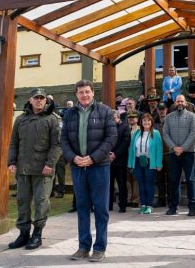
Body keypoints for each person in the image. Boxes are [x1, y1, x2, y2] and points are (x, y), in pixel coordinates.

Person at [60, 80, 117, 262]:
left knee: (100, 208)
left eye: (87, 91)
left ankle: (99, 248)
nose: (84, 95)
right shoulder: (69, 114)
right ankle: (83, 247)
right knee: (82, 207)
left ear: (93, 93)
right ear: (76, 95)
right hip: (78, 167)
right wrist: (73, 158)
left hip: (99, 167)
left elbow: (111, 138)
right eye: (80, 92)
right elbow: (63, 141)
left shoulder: (105, 111)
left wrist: (93, 158)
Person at [7, 89, 62, 250]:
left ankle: (37, 234)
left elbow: (57, 145)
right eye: (36, 98)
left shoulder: (53, 119)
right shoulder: (21, 119)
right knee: (22, 201)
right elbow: (13, 143)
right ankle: (23, 234)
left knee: (41, 201)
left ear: (46, 101)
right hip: (23, 168)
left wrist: (50, 164)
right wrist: (11, 162)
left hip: (43, 169)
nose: (39, 101)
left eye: (42, 98)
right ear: (30, 100)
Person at [162, 95, 195, 216]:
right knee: (174, 180)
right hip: (173, 153)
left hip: (188, 152)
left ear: (186, 103)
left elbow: (194, 133)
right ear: (174, 102)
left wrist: (182, 148)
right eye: (178, 101)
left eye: (182, 101)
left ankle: (192, 207)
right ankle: (173, 207)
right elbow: (165, 133)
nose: (180, 103)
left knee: (190, 179)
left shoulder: (192, 116)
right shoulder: (168, 117)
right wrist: (174, 147)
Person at [128, 113, 163, 214]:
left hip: (150, 162)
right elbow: (132, 150)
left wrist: (159, 164)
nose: (146, 122)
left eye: (148, 121)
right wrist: (130, 164)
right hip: (138, 161)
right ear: (141, 122)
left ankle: (149, 205)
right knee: (141, 184)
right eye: (144, 121)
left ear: (151, 122)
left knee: (149, 184)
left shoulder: (155, 133)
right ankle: (143, 205)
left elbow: (159, 150)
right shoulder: (136, 133)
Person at [109, 110, 130, 213]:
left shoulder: (125, 127)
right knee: (109, 184)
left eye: (113, 118)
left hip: (121, 161)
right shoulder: (108, 128)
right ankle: (108, 205)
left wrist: (115, 154)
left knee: (122, 184)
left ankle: (122, 206)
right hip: (108, 161)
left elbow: (126, 143)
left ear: (118, 117)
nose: (112, 120)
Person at [154, 103, 170, 207]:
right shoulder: (154, 122)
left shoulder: (170, 120)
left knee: (170, 177)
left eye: (163, 109)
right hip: (158, 154)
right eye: (159, 109)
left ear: (167, 109)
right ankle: (161, 199)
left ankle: (171, 199)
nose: (161, 111)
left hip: (169, 153)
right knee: (159, 179)